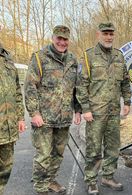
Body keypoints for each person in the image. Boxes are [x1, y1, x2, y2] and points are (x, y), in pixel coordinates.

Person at [24, 25, 81, 195]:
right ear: (53, 38)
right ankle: (40, 187)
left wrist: (78, 110)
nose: (62, 42)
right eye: (59, 38)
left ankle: (50, 180)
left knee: (58, 154)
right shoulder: (40, 58)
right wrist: (34, 113)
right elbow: (30, 86)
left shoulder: (72, 60)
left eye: (65, 39)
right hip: (44, 119)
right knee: (43, 155)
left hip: (63, 118)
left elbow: (76, 88)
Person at [76, 22, 132, 195]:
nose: (109, 37)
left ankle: (108, 176)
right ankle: (91, 180)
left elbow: (125, 81)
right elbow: (81, 85)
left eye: (111, 34)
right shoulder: (89, 56)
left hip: (114, 111)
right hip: (95, 112)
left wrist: (128, 102)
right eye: (105, 33)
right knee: (93, 148)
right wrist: (85, 108)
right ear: (98, 34)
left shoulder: (119, 56)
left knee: (113, 146)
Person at [0, 43, 25, 195]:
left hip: (8, 127)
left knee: (6, 168)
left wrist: (21, 117)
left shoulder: (7, 57)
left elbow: (16, 89)